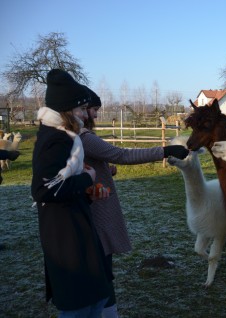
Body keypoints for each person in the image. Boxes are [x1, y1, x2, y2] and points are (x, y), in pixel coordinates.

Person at [80, 87, 189, 317]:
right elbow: (123, 155)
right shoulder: (84, 138)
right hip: (97, 214)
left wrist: (104, 169)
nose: (95, 116)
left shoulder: (79, 138)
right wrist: (164, 151)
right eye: (92, 110)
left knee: (102, 271)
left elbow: (90, 164)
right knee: (102, 274)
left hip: (93, 212)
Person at [31, 69, 112, 317]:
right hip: (65, 232)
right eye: (80, 110)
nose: (84, 116)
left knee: (94, 297)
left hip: (75, 222)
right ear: (67, 110)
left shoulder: (63, 136)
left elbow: (60, 184)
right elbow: (42, 190)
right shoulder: (56, 139)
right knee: (81, 303)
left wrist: (87, 193)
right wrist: (86, 178)